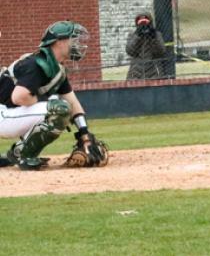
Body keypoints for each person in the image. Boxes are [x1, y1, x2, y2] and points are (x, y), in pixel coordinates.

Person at [0, 21, 104, 170]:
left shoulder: (57, 69)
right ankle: (22, 154)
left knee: (61, 107)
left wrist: (84, 134)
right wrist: (46, 100)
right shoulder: (35, 64)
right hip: (3, 114)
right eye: (73, 39)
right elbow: (18, 97)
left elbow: (73, 104)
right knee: (58, 109)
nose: (77, 44)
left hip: (10, 114)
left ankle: (23, 153)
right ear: (59, 42)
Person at [125, 12, 169, 79]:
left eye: (146, 23)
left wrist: (153, 36)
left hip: (153, 72)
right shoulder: (133, 35)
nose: (144, 26)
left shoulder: (157, 35)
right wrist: (138, 35)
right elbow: (130, 51)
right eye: (141, 24)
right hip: (136, 74)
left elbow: (161, 51)